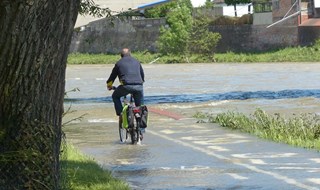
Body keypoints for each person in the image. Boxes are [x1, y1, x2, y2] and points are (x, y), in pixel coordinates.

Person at [107, 48, 145, 119]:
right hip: (139, 86)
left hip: (126, 86)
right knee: (140, 106)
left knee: (115, 96)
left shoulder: (119, 63)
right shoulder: (137, 62)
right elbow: (142, 76)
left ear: (121, 55)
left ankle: (121, 114)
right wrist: (140, 83)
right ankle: (141, 128)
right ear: (130, 54)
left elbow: (112, 77)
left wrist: (109, 85)